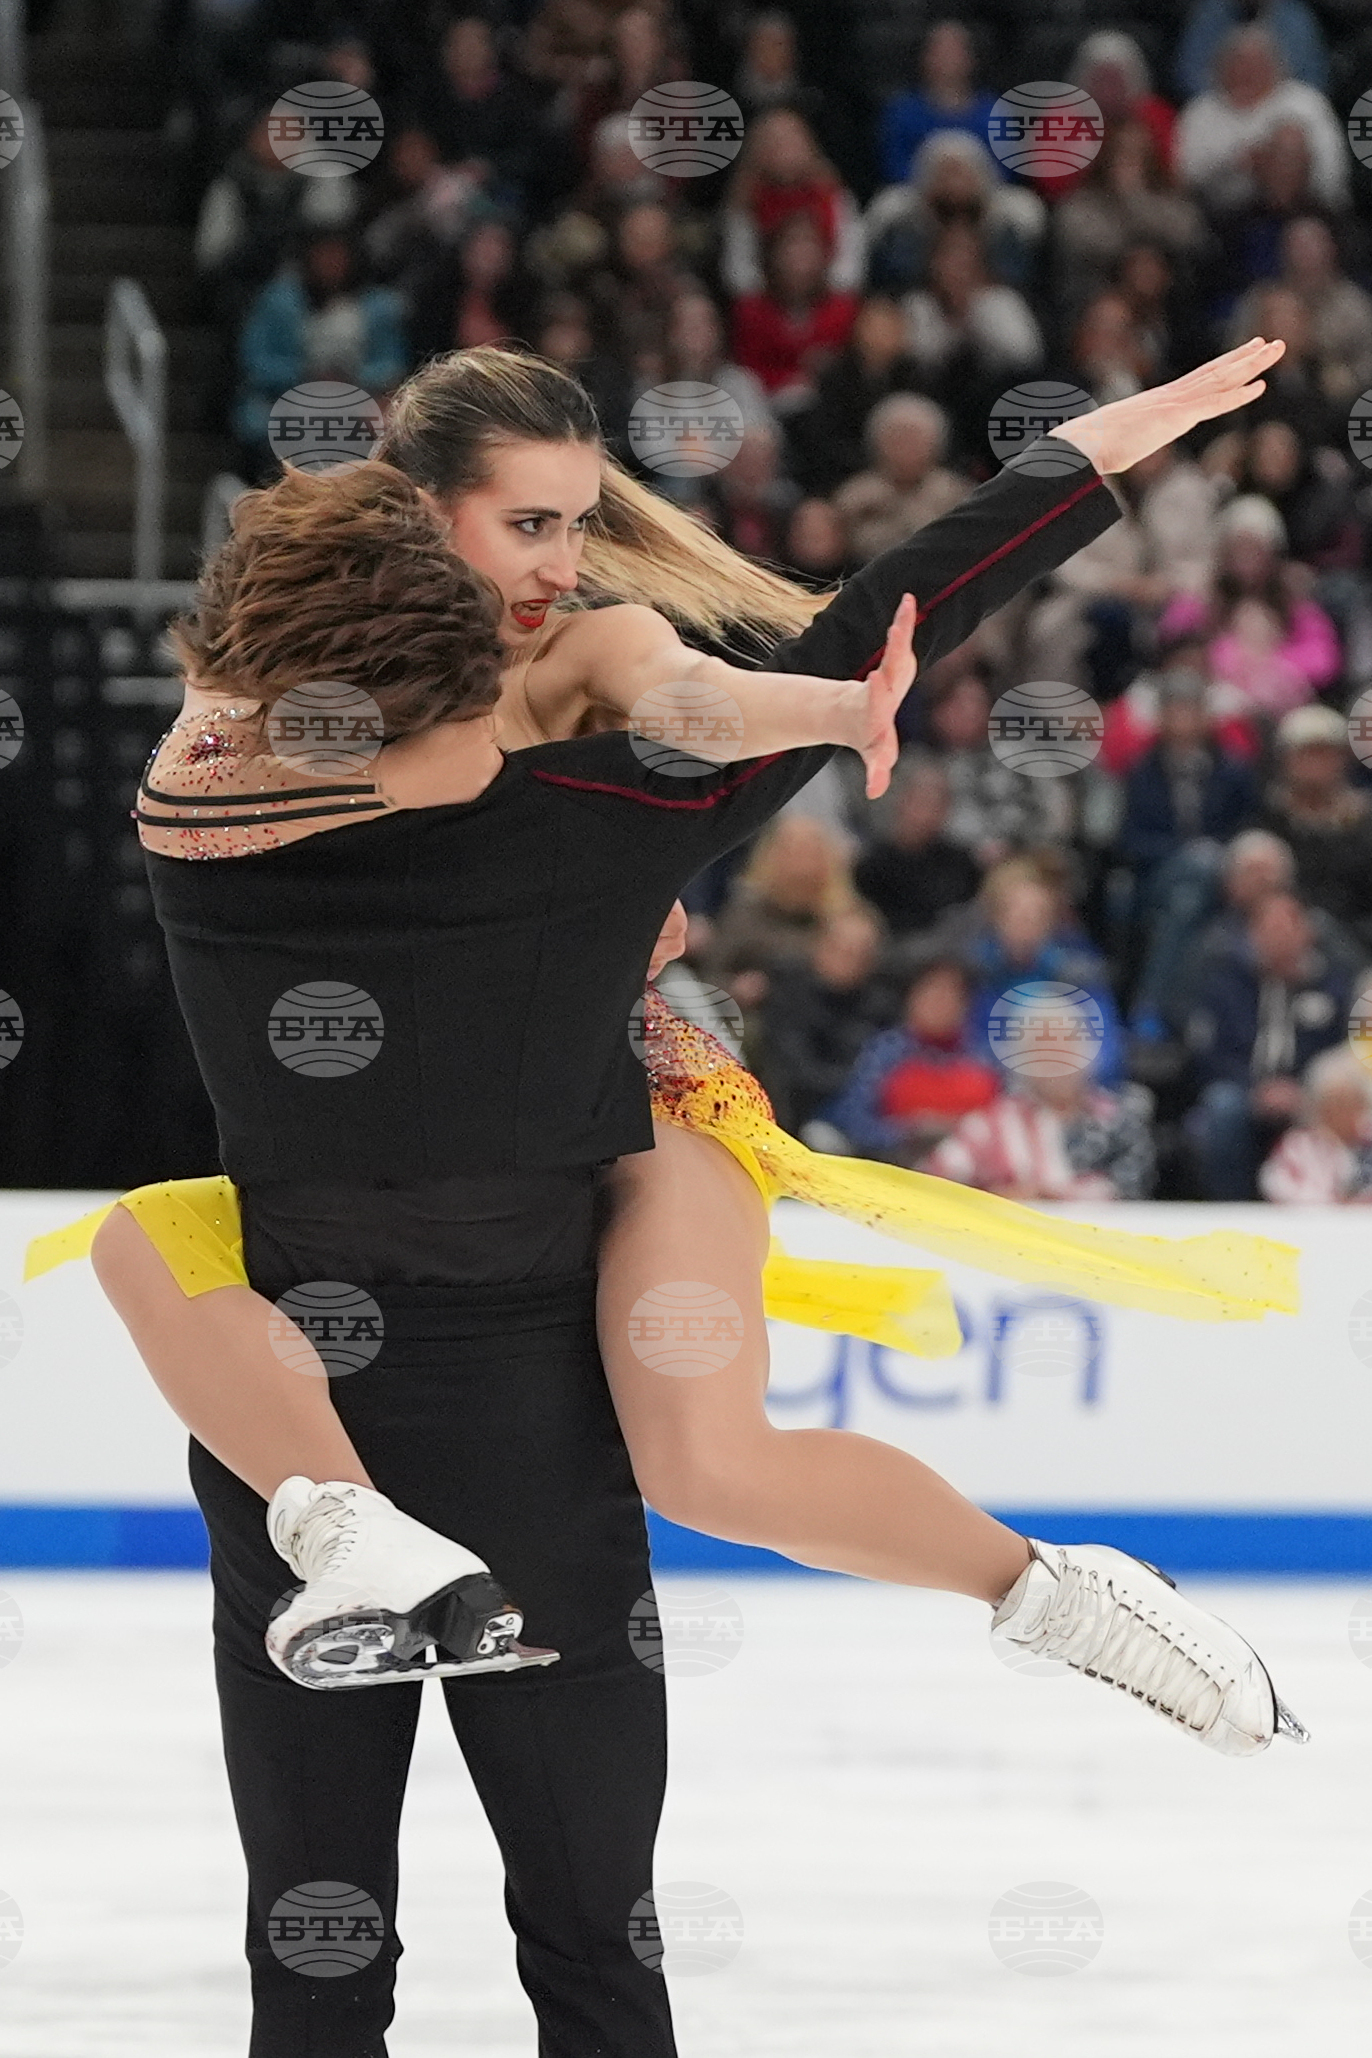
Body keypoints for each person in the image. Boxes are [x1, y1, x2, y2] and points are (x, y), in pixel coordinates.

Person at [31, 343, 1306, 1743]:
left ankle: (1064, 1594)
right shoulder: (289, 692)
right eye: (530, 522)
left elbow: (692, 697)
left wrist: (830, 704)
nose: (564, 561)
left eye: (579, 520)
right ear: (421, 507)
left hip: (634, 1095)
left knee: (707, 1466)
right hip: (393, 1132)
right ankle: (359, 1538)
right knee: (140, 1243)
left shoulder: (592, 649)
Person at [1185, 887, 1355, 1197]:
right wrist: (1256, 1088)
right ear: (1252, 934)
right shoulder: (1226, 982)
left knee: (1346, 1105)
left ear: (1306, 931)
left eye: (1285, 926)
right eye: (1267, 928)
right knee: (1222, 1108)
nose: (1277, 937)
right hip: (1246, 1091)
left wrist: (1304, 1088)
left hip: (1311, 1093)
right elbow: (1210, 1052)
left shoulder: (1335, 985)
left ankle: (1331, 1205)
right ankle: (1231, 1213)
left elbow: (1343, 1050)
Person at [820, 953, 998, 1164]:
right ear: (911, 997)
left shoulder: (984, 1057)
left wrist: (961, 1131)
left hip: (973, 1173)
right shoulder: (885, 1052)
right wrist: (909, 1131)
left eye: (952, 994)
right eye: (932, 992)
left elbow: (1009, 1123)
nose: (941, 1002)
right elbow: (852, 1119)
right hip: (895, 1169)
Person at [831, 393, 972, 565]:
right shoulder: (854, 496)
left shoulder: (958, 495)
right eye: (897, 439)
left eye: (915, 439)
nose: (905, 448)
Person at [1258, 1043, 1372, 1202]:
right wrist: (1340, 1203)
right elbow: (1277, 1185)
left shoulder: (1368, 1144)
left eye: (1349, 1104)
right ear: (1320, 1109)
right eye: (1334, 1105)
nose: (1341, 1113)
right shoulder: (1297, 1147)